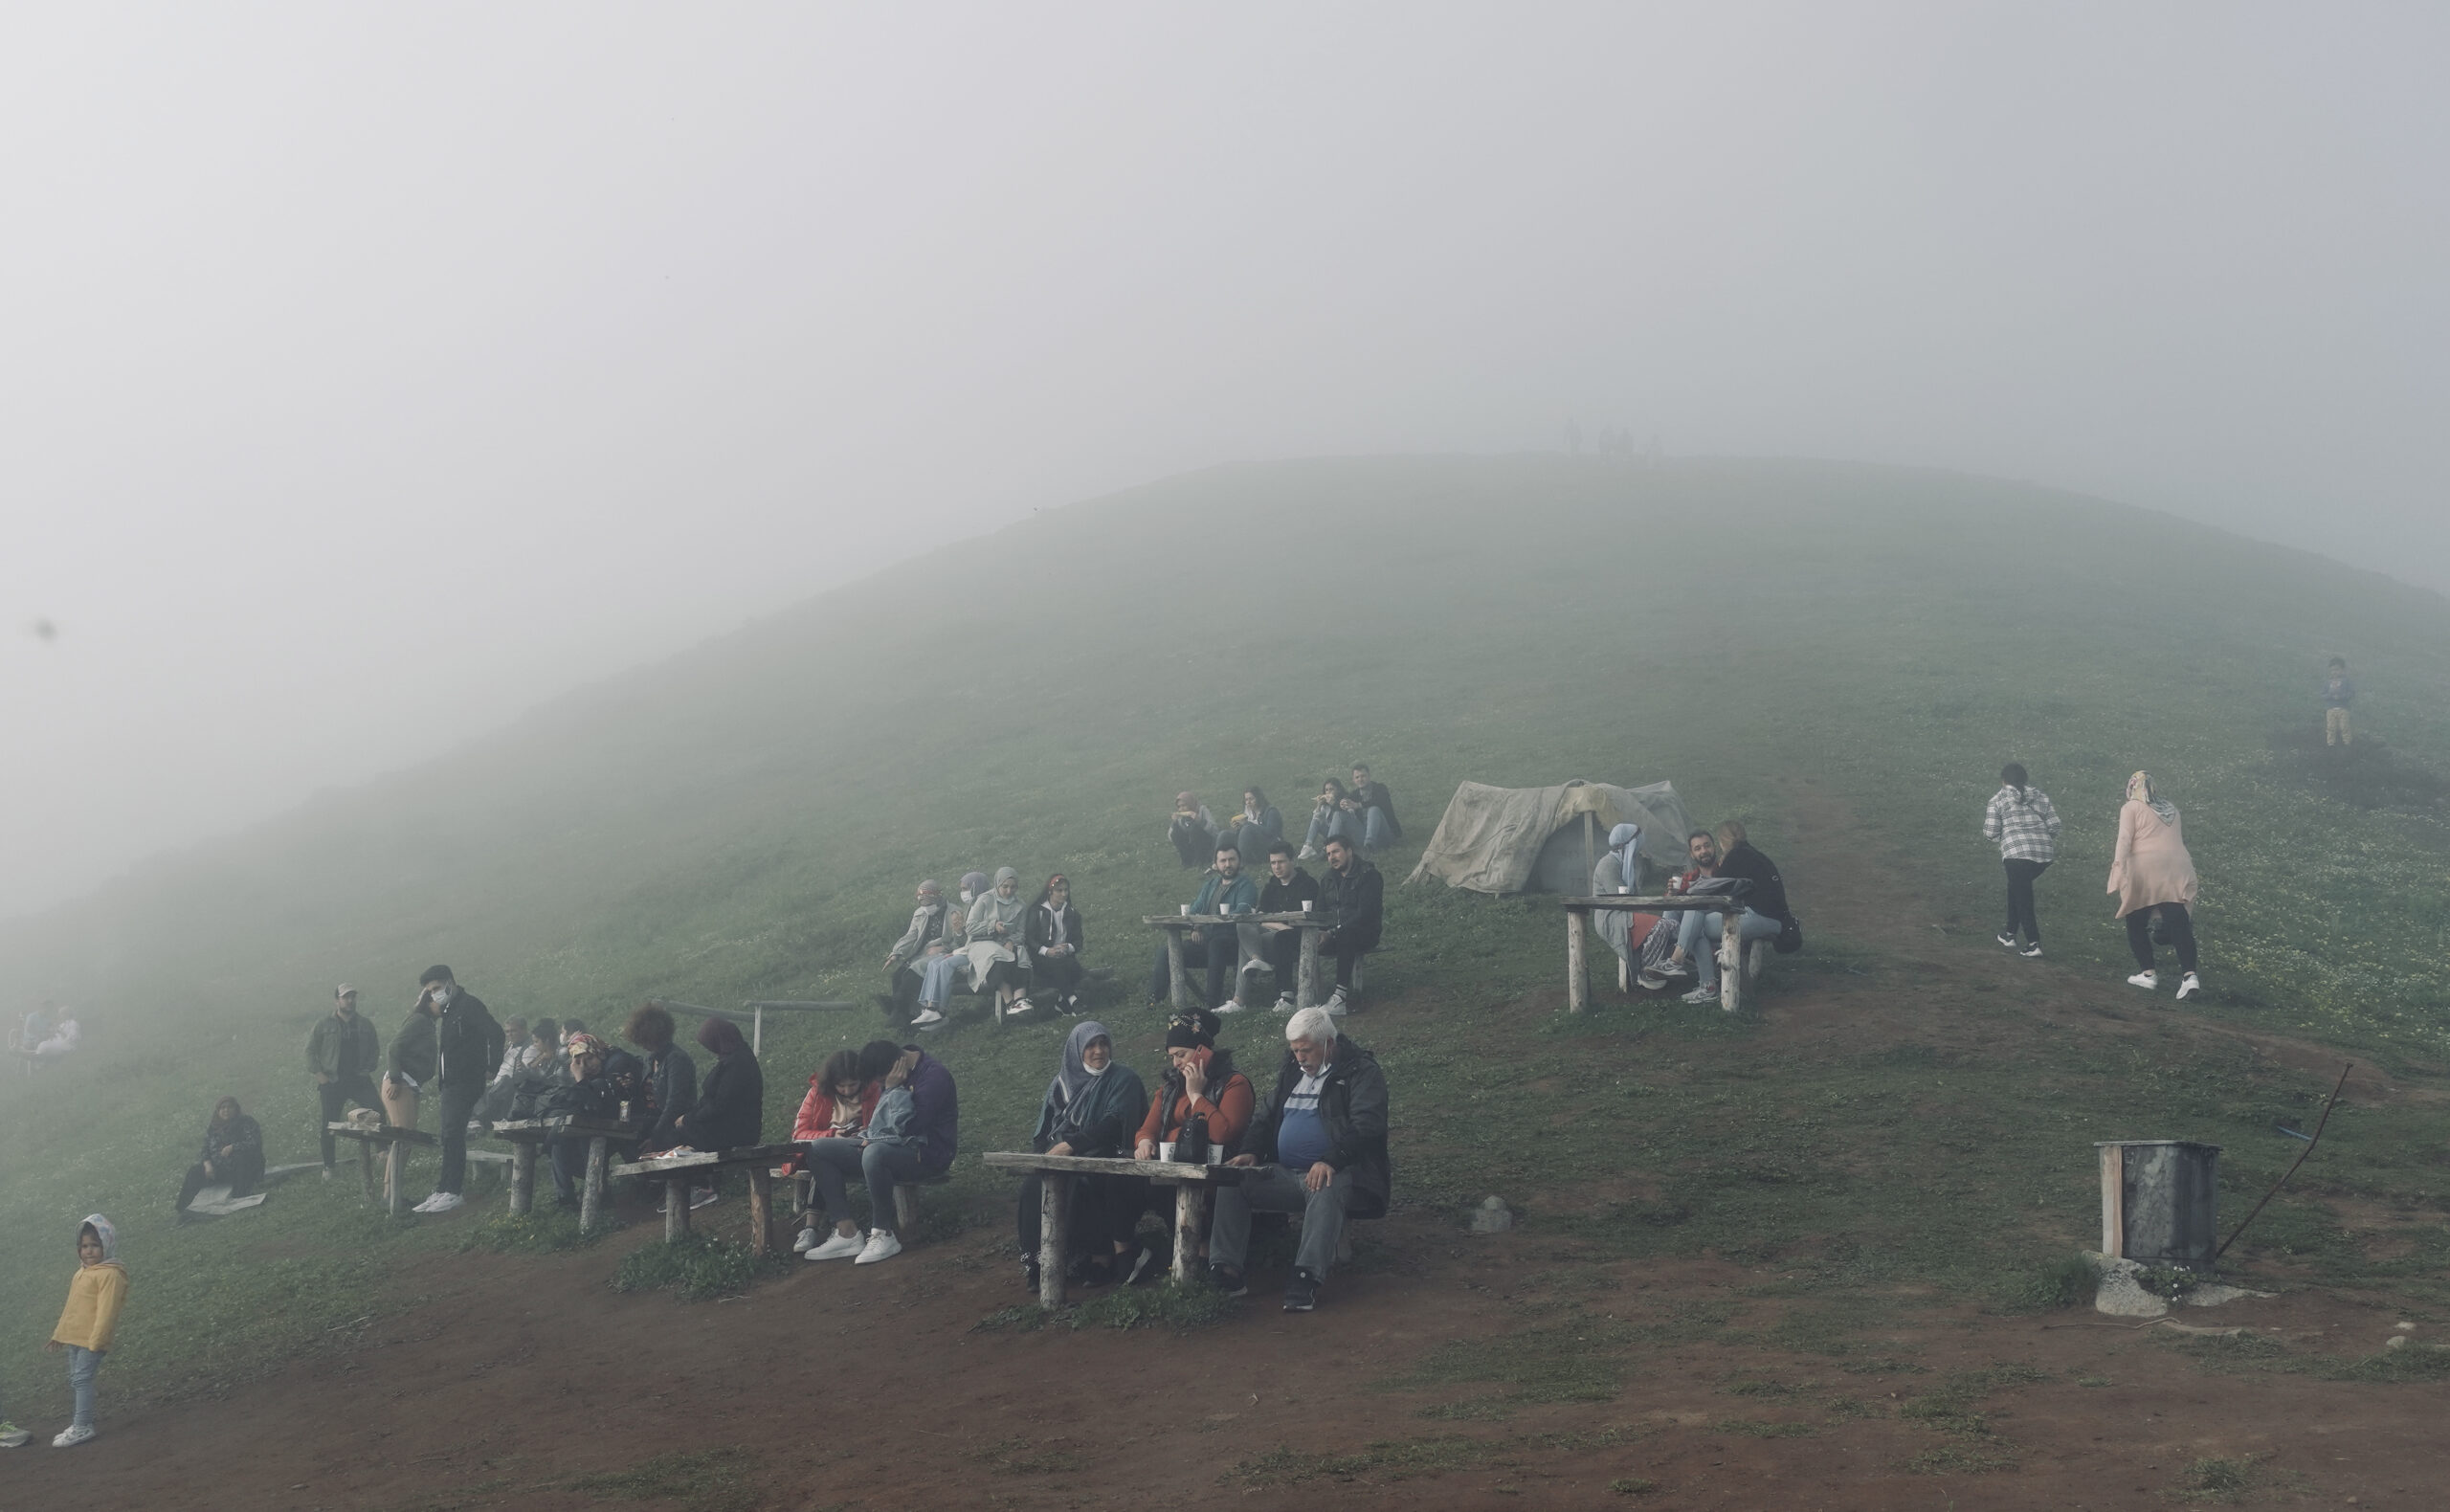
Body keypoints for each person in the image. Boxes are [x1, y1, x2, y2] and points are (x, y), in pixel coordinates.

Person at [1211, 1006, 1391, 1313]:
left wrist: (1331, 1160)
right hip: (1286, 1173)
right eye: (1295, 1050)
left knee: (1324, 1184)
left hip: (1346, 1172)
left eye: (1305, 1050)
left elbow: (1367, 1127)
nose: (1299, 1057)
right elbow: (1265, 1116)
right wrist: (1251, 1150)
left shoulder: (1361, 1072)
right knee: (1234, 1180)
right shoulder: (1293, 1072)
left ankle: (1306, 1276)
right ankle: (1226, 1271)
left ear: (1328, 1045)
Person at [800, 1038, 958, 1266]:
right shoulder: (893, 1074)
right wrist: (871, 1136)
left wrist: (892, 1091)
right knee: (819, 1149)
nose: (881, 1085)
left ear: (895, 1065)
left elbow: (910, 1127)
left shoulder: (934, 1078)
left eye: (881, 1082)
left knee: (875, 1153)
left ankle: (883, 1233)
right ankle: (847, 1233)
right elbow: (884, 1120)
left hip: (926, 1153)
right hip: (886, 1145)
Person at [1123, 1011, 1255, 1280]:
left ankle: (1204, 1256)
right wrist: (1145, 1141)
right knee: (1131, 1184)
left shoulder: (1234, 1083)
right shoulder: (1171, 1086)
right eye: (1172, 1056)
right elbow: (1148, 1127)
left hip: (1220, 1170)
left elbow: (1223, 1133)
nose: (1176, 1063)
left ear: (1202, 1050)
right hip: (1175, 1168)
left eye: (1181, 1054)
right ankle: (1137, 1256)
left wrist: (1196, 1095)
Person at [1017, 1020, 1147, 1291]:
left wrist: (1072, 1145)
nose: (1099, 1051)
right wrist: (1043, 1156)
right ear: (1076, 1050)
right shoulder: (1060, 1083)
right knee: (1032, 1186)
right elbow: (1044, 1127)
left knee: (1085, 1183)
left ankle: (1098, 1259)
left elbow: (1115, 1123)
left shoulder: (1124, 1079)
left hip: (1105, 1155)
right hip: (1062, 1155)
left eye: (1103, 1044)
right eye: (1090, 1045)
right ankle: (1040, 1264)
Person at [412, 966, 506, 1215]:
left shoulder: (469, 1005)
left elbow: (495, 1032)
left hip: (466, 1081)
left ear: (450, 983)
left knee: (454, 1133)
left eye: (436, 988)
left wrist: (493, 1066)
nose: (434, 994)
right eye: (430, 991)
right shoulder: (448, 1010)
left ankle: (454, 1191)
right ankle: (444, 1188)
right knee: (448, 1135)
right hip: (450, 1083)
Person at [1673, 822, 1791, 1006]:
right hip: (1772, 918)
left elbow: (1714, 893)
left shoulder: (1734, 858)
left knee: (1698, 926)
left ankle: (1703, 983)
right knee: (1698, 922)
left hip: (1762, 918)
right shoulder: (1754, 854)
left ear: (1721, 842)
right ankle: (1702, 982)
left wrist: (1689, 889)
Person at [2110, 771, 2202, 1000]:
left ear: (2132, 787)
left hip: (2146, 868)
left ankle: (2148, 974)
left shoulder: (2130, 808)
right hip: (2179, 867)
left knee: (2135, 919)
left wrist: (2118, 869)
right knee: (2178, 921)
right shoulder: (2171, 810)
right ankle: (2190, 977)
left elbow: (2124, 840)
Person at [1147, 840, 1258, 1011]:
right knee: (1167, 951)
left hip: (1233, 941)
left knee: (1217, 944)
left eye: (1231, 859)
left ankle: (1211, 1002)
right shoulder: (1210, 885)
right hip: (1206, 939)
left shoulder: (1245, 884)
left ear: (1239, 861)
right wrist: (1195, 927)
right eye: (1223, 861)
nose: (1228, 864)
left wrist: (1203, 923)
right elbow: (1195, 910)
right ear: (1216, 864)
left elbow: (1243, 908)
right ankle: (1154, 1000)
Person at [46, 1215, 127, 1448]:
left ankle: (83, 1426)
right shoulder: (82, 1272)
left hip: (92, 1339)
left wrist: (98, 1341)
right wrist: (59, 1334)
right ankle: (80, 1422)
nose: (88, 1251)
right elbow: (72, 1307)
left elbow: (107, 1312)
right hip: (75, 1337)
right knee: (77, 1379)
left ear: (106, 1245)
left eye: (94, 1245)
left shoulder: (110, 1274)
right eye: (84, 1246)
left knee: (81, 1378)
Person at [542, 1034, 648, 1206]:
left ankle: (599, 1190)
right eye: (579, 1062)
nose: (585, 1066)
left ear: (600, 1053)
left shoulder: (617, 1063)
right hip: (608, 1123)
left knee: (587, 1134)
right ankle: (566, 1198)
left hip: (635, 1121)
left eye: (590, 1058)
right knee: (559, 1141)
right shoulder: (599, 1068)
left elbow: (601, 1106)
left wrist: (580, 1079)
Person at [669, 1016, 765, 1207]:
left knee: (684, 1133)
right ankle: (691, 1187)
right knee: (680, 1130)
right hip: (728, 1122)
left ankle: (704, 1187)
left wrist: (688, 1119)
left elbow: (722, 1104)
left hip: (739, 1127)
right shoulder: (731, 1058)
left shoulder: (738, 1064)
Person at [791, 1050, 879, 1255]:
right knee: (821, 1151)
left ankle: (813, 1227)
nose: (847, 1091)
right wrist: (831, 1135)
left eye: (853, 1085)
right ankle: (817, 1229)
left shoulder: (874, 1090)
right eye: (841, 1086)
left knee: (821, 1153)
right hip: (827, 1145)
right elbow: (799, 1133)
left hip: (861, 1147)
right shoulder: (817, 1093)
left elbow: (881, 1124)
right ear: (831, 1082)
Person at [1985, 763, 2061, 958]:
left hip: (2016, 855)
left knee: (2023, 897)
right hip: (2043, 856)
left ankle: (2033, 943)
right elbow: (2054, 825)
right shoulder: (2040, 796)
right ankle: (2009, 934)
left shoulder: (1998, 799)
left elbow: (1990, 832)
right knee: (2016, 888)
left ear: (2003, 781)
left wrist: (2002, 839)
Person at [308, 985, 385, 1176]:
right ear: (337, 1001)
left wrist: (368, 1068)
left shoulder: (365, 1024)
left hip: (358, 1079)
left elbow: (375, 1049)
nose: (350, 1001)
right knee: (329, 1123)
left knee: (377, 1111)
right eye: (345, 997)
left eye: (352, 997)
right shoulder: (324, 1024)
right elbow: (310, 1051)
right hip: (332, 1081)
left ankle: (382, 1152)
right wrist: (320, 1075)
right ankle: (329, 1167)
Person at [1637, 830, 1721, 991]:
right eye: (1698, 848)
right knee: (1674, 905)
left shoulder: (1723, 871)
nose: (1703, 851)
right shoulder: (1689, 878)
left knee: (1695, 915)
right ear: (1692, 854)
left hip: (1714, 922)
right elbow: (1669, 907)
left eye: (1707, 846)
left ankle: (1671, 962)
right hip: (1688, 926)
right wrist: (1671, 894)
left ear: (1714, 847)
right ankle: (1666, 960)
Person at [1316, 835, 1383, 1015]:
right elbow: (1319, 910)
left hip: (1364, 932)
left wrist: (1333, 932)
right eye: (1328, 854)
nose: (1332, 857)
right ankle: (1306, 994)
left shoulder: (1368, 875)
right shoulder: (1328, 878)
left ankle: (1340, 998)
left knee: (1346, 934)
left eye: (1336, 851)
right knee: (1303, 938)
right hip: (1333, 933)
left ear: (1349, 851)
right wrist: (1320, 932)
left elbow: (1366, 913)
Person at [1253, 840, 1323, 1012]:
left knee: (1281, 939)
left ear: (1293, 861)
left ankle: (1286, 994)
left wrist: (1283, 928)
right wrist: (1280, 926)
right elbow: (1261, 917)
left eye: (1281, 862)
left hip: (1304, 933)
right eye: (1273, 863)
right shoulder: (1271, 886)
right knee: (1252, 932)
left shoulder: (1308, 884)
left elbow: (1317, 915)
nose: (1277, 867)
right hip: (1279, 932)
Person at [881, 879, 960, 1023]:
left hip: (941, 954)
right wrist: (896, 953)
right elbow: (911, 936)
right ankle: (902, 1014)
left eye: (929, 904)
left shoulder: (954, 912)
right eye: (923, 905)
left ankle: (899, 1010)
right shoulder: (920, 913)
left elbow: (960, 939)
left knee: (911, 977)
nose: (926, 907)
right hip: (921, 953)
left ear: (938, 898)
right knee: (897, 976)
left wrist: (943, 947)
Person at [624, 1003, 698, 1156]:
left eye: (644, 1040)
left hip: (675, 1125)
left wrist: (655, 1137)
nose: (642, 1045)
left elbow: (675, 1103)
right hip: (652, 1121)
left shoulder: (676, 1059)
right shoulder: (650, 1059)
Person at [175, 1097, 266, 1217]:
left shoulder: (246, 1122)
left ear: (236, 1109)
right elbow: (205, 1149)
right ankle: (184, 1209)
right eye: (222, 1108)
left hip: (247, 1168)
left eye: (229, 1107)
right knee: (194, 1171)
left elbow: (255, 1142)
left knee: (240, 1157)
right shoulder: (214, 1127)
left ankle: (240, 1196)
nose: (226, 1110)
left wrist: (233, 1147)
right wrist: (207, 1165)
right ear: (218, 1111)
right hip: (222, 1169)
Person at [965, 867, 1032, 1019]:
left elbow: (1021, 933)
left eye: (1013, 887)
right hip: (982, 942)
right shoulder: (985, 899)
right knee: (996, 956)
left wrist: (1010, 940)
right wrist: (992, 926)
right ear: (997, 884)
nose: (1009, 891)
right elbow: (970, 927)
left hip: (1006, 942)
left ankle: (1020, 999)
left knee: (1020, 953)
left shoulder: (1020, 905)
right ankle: (1009, 1002)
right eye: (1005, 887)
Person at [1024, 874, 1087, 1014]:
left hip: (1064, 956)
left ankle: (1062, 1003)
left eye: (1066, 890)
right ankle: (1073, 1000)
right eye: (1059, 890)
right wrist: (1046, 951)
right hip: (1040, 958)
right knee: (1058, 967)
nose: (1064, 894)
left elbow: (1079, 940)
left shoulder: (1072, 913)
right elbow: (1029, 938)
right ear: (1050, 891)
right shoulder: (1037, 911)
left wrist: (1068, 947)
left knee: (1075, 968)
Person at [1590, 823, 1646, 973]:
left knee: (1662, 925)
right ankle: (1645, 971)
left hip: (1627, 913)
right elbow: (1619, 900)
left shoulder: (1628, 864)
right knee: (1660, 927)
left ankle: (1648, 968)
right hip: (1611, 918)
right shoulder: (1608, 864)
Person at [472, 1014, 530, 1125]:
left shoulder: (530, 1047)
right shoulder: (509, 1046)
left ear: (524, 1029)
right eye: (507, 1032)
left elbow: (523, 1074)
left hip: (509, 1087)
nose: (510, 1035)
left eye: (513, 1031)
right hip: (495, 1085)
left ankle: (481, 1119)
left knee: (504, 1081)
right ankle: (482, 1117)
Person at [1298, 779, 1363, 860]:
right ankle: (1308, 846)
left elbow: (1350, 816)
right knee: (1317, 819)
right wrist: (1319, 805)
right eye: (1326, 790)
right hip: (1334, 835)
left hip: (1348, 835)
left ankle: (1326, 848)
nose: (1328, 792)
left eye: (1331, 789)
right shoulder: (1326, 805)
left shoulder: (1345, 800)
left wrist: (1334, 803)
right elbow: (1316, 819)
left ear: (1338, 790)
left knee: (1337, 814)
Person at [1346, 764, 1402, 852]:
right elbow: (1346, 802)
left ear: (1369, 776)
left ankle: (1369, 846)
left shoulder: (1380, 788)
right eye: (1357, 777)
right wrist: (1342, 804)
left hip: (1386, 834)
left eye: (1363, 776)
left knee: (1373, 809)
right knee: (1340, 814)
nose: (1360, 779)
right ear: (1353, 780)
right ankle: (1332, 846)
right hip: (1364, 834)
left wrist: (1358, 805)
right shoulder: (1354, 794)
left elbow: (1379, 801)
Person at [1226, 787, 1284, 869]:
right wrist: (1237, 828)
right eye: (1246, 800)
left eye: (1251, 799)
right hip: (1253, 848)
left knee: (1247, 828)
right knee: (1225, 834)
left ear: (1259, 798)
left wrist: (1248, 824)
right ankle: (1218, 861)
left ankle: (1241, 862)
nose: (1248, 802)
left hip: (1270, 848)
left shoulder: (1271, 811)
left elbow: (1271, 832)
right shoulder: (1248, 814)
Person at [1169, 792, 1218, 869]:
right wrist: (1175, 823)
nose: (1181, 809)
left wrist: (1200, 821)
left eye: (1184, 805)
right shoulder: (1180, 817)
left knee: (1195, 829)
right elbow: (1171, 836)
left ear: (1190, 803)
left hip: (1205, 844)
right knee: (1175, 832)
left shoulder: (1202, 810)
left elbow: (1215, 831)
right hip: (1190, 845)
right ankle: (1187, 861)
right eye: (1179, 806)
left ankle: (1202, 860)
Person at [2322, 656, 2356, 746]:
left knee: (2344, 727)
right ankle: (2330, 744)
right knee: (2331, 727)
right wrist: (2330, 695)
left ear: (2343, 670)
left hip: (2343, 708)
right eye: (2332, 670)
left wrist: (2341, 696)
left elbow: (2351, 693)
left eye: (2337, 669)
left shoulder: (2346, 681)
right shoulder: (2327, 682)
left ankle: (2347, 743)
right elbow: (2323, 695)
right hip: (2330, 709)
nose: (2335, 672)